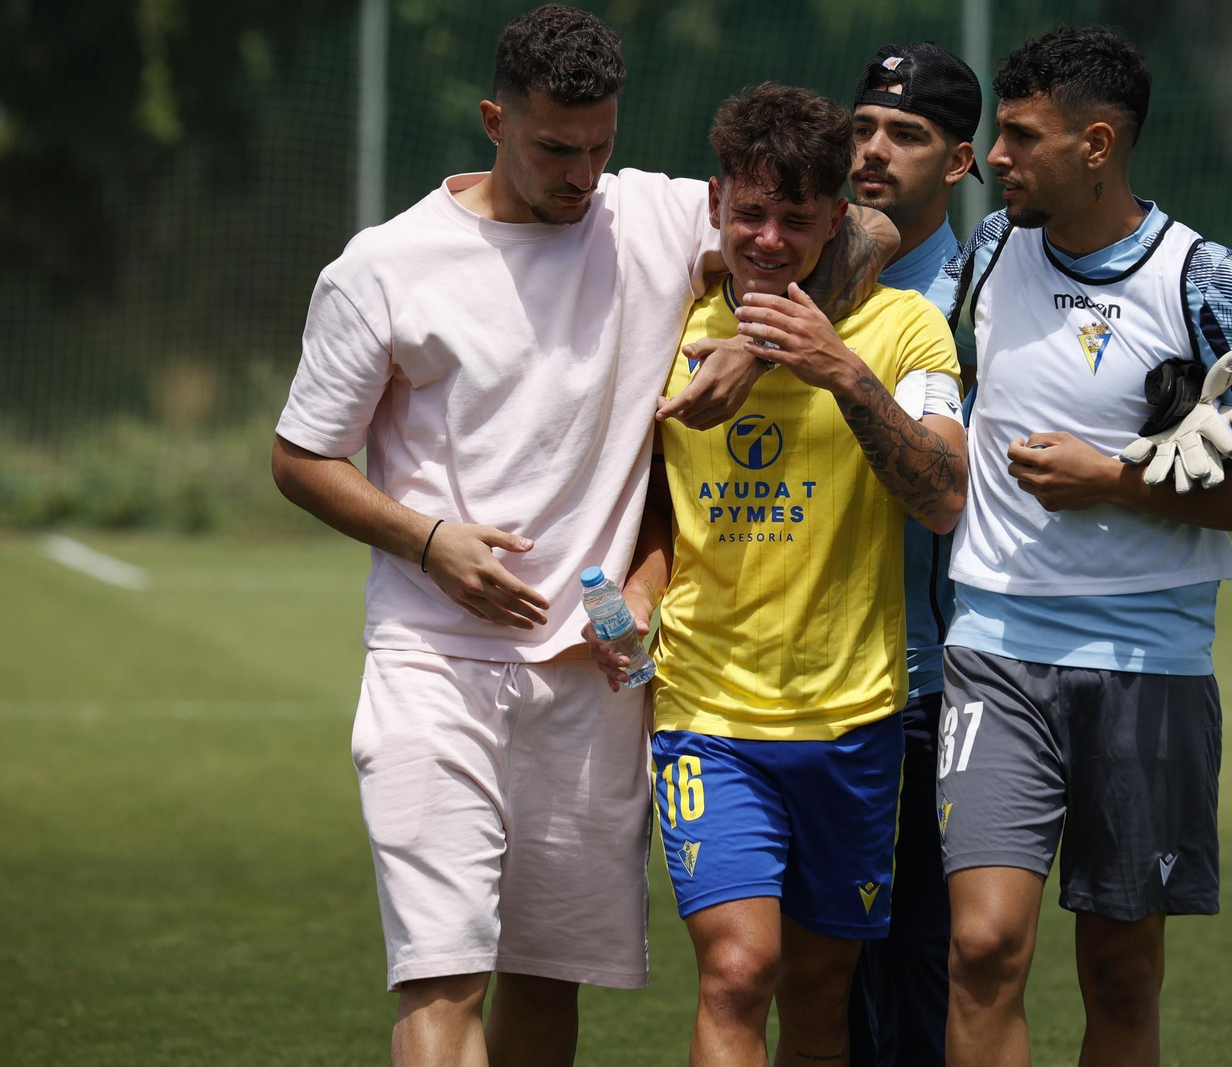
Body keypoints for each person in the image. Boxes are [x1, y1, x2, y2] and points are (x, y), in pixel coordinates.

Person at [268, 7, 896, 1066]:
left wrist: (752, 342)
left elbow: (865, 232)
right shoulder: (384, 267)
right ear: (492, 120)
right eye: (554, 148)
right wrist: (428, 541)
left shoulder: (649, 215)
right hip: (434, 657)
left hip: (596, 668)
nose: (579, 173)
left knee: (547, 974)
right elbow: (299, 457)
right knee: (443, 972)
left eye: (598, 146)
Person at [936, 26, 1232, 1067]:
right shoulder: (987, 252)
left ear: (1097, 144)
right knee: (979, 945)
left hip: (1148, 663)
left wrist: (1116, 478)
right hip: (995, 645)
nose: (996, 156)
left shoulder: (1202, 277)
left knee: (1117, 971)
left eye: (1020, 135)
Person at [586, 82, 967, 1067]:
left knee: (817, 985)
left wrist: (839, 370)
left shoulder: (905, 330)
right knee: (738, 969)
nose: (766, 238)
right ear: (715, 203)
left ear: (835, 218)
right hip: (710, 713)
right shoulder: (665, 330)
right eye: (748, 213)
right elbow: (660, 514)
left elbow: (942, 496)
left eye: (795, 219)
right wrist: (637, 592)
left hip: (855, 714)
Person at [842, 41, 983, 1067]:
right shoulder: (793, 258)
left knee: (922, 974)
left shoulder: (983, 291)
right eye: (860, 128)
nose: (873, 151)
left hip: (928, 683)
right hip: (798, 679)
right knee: (819, 976)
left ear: (961, 161)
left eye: (906, 134)